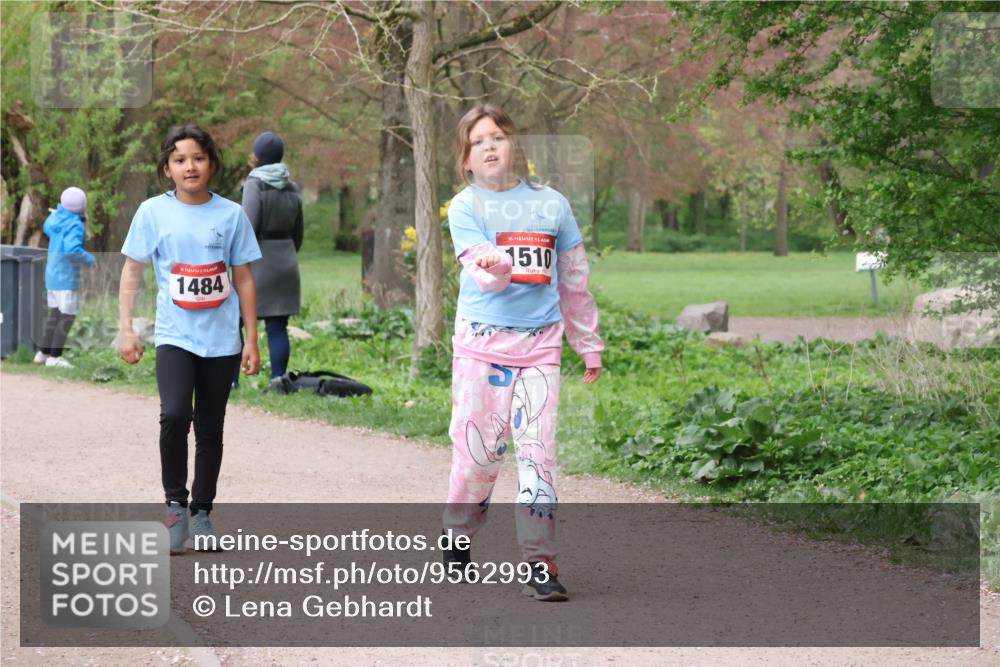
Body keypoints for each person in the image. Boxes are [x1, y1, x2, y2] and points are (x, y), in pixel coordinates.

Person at [440, 104, 604, 602]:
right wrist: (495, 265)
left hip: (540, 348)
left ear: (516, 147)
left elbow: (574, 279)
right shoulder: (465, 208)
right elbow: (484, 278)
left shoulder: (552, 205)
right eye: (478, 141)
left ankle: (540, 562)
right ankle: (456, 534)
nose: (490, 146)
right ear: (466, 159)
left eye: (499, 136)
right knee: (479, 454)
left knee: (538, 455)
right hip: (481, 348)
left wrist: (588, 343)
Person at [118, 124, 262, 554]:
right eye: (179, 159)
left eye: (198, 158)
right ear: (167, 168)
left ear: (211, 163)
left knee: (210, 427)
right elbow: (132, 270)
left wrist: (252, 338)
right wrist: (126, 327)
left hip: (221, 340)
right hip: (175, 335)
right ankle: (174, 507)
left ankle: (202, 514)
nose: (190, 166)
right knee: (175, 415)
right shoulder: (152, 212)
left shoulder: (231, 214)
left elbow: (244, 278)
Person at [239, 131, 304, 382]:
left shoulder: (254, 185)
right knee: (278, 326)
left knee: (236, 321)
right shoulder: (293, 187)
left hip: (258, 261)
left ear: (256, 156)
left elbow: (248, 226)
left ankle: (232, 379)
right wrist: (287, 252)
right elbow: (299, 232)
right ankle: (279, 380)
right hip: (286, 259)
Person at [34, 187, 95, 368]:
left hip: (52, 277)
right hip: (66, 278)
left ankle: (43, 354)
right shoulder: (75, 224)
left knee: (55, 315)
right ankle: (55, 357)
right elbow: (72, 250)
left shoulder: (55, 219)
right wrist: (91, 260)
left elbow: (50, 228)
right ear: (82, 206)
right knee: (67, 316)